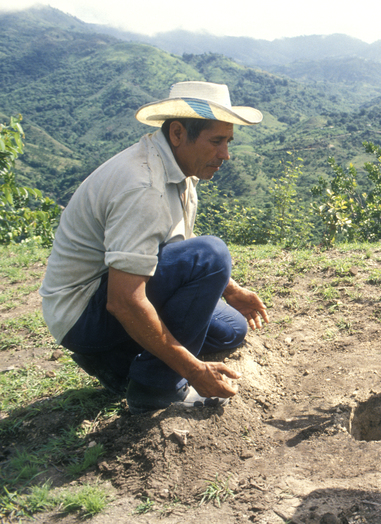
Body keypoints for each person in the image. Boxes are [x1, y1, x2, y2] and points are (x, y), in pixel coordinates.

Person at [40, 81, 270, 415]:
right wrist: (192, 369)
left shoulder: (180, 171)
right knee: (212, 255)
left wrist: (229, 289)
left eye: (228, 142)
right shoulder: (143, 186)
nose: (225, 154)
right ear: (178, 133)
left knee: (230, 329)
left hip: (112, 294)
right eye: (216, 141)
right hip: (82, 313)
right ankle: (155, 388)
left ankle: (117, 363)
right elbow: (124, 300)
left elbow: (174, 246)